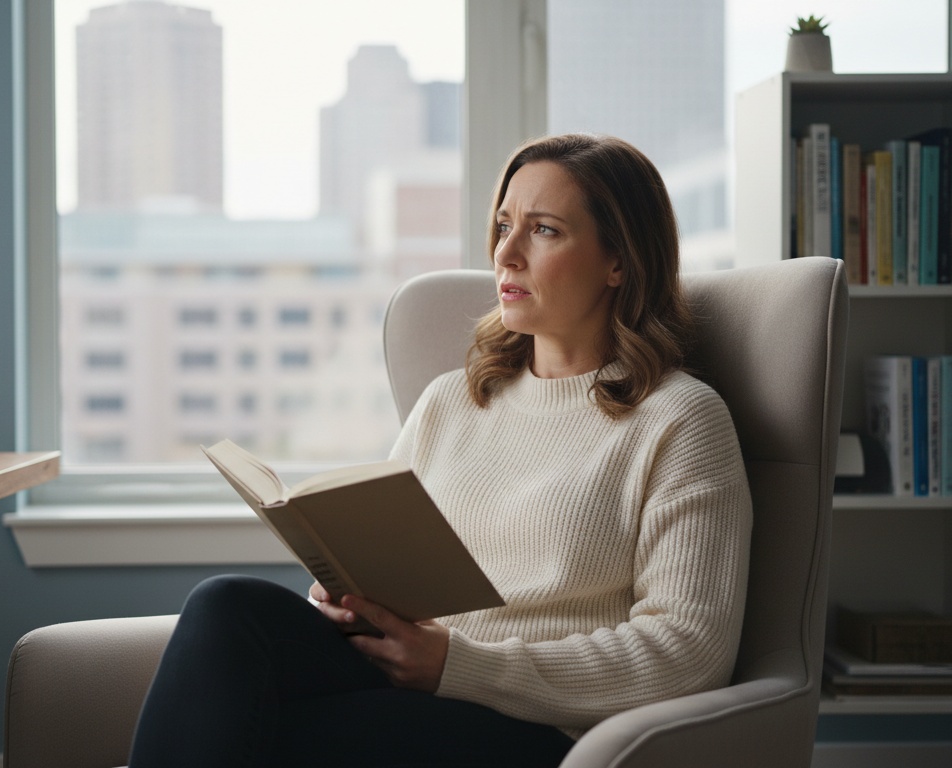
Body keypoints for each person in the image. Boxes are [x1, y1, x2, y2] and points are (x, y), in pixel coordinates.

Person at [127, 133, 752, 768]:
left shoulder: (679, 421)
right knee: (229, 605)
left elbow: (688, 650)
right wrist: (347, 596)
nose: (505, 254)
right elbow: (387, 559)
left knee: (261, 735)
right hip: (404, 678)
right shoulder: (452, 400)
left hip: (533, 726)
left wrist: (460, 666)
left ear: (618, 260)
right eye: (504, 225)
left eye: (544, 231)